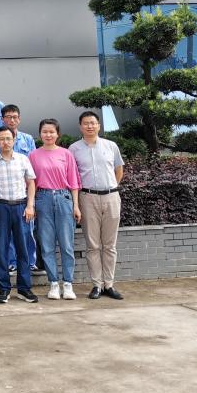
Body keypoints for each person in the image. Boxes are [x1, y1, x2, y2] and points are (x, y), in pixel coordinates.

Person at [70, 111, 125, 301]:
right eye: (86, 123)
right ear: (81, 126)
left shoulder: (111, 146)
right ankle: (97, 285)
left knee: (110, 245)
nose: (90, 126)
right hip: (87, 198)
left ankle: (109, 284)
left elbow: (119, 169)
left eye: (93, 123)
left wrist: (112, 187)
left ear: (99, 126)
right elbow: (72, 175)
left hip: (111, 197)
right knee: (92, 245)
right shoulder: (74, 149)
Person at [29, 119, 82, 301]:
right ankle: (53, 283)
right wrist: (32, 204)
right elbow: (31, 183)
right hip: (42, 199)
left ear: (57, 134)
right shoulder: (33, 155)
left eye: (52, 131)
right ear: (40, 134)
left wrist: (76, 205)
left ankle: (68, 284)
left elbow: (74, 182)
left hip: (63, 198)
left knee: (66, 244)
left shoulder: (66, 154)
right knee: (47, 245)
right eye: (45, 131)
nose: (48, 135)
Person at [0, 126, 39, 304]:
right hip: (0, 207)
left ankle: (24, 288)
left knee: (23, 248)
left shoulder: (23, 159)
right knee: (1, 249)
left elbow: (31, 183)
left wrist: (30, 205)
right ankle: (4, 288)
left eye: (8, 138)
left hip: (21, 207)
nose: (5, 142)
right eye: (2, 139)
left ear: (14, 140)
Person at [0, 104, 38, 274]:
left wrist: (31, 203)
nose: (11, 120)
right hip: (3, 194)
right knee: (7, 235)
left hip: (23, 192)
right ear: (2, 119)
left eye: (14, 117)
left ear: (19, 119)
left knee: (27, 231)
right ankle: (12, 261)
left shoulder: (27, 139)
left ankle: (30, 262)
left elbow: (33, 164)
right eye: (8, 117)